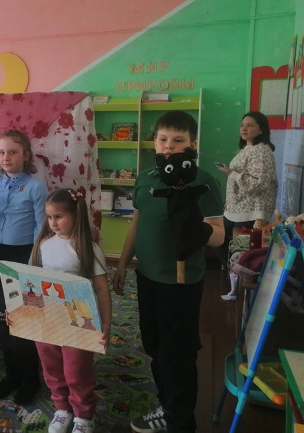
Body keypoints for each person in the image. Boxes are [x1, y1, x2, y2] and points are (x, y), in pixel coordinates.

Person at [112, 111, 225, 433]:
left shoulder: (203, 181)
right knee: (154, 347)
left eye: (178, 141)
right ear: (155, 142)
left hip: (181, 283)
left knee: (178, 355)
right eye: (163, 139)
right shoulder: (146, 177)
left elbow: (219, 235)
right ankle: (167, 406)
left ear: (192, 145)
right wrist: (123, 263)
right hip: (147, 276)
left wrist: (197, 229)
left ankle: (180, 423)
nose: (169, 147)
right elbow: (137, 222)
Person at [29, 188, 111, 433]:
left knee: (76, 370)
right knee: (51, 366)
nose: (53, 223)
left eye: (59, 216)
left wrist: (106, 324)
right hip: (48, 320)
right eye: (49, 217)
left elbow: (102, 289)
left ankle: (84, 415)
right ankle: (62, 408)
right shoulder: (42, 245)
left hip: (80, 321)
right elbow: (30, 283)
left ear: (75, 215)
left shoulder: (89, 248)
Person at [0, 129, 47, 404]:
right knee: (3, 316)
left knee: (23, 319)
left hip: (23, 257)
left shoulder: (35, 187)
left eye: (12, 152)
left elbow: (41, 229)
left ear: (26, 155)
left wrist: (33, 265)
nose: (6, 157)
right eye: (1, 152)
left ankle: (30, 379)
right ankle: (12, 374)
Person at [216, 111, 278, 300]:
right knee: (220, 241)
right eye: (242, 125)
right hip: (237, 207)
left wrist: (232, 173)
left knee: (238, 249)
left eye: (250, 125)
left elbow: (259, 183)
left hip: (251, 210)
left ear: (261, 130)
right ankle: (236, 278)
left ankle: (241, 285)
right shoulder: (248, 148)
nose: (244, 128)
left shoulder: (262, 151)